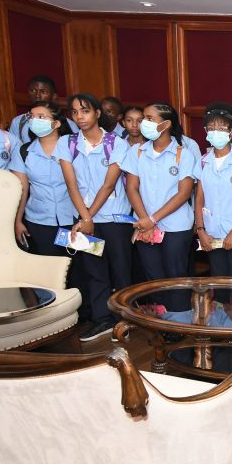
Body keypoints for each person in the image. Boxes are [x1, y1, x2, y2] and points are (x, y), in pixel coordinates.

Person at [57, 93, 134, 342]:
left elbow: (108, 185)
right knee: (94, 271)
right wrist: (85, 218)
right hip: (84, 219)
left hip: (114, 219)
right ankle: (101, 320)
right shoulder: (67, 144)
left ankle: (124, 321)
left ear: (97, 113)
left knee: (121, 270)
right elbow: (71, 185)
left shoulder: (117, 143)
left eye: (85, 111)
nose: (80, 117)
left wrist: (88, 218)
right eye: (75, 112)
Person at [121, 102, 199, 309]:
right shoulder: (137, 152)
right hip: (145, 226)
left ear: (165, 125)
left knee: (176, 279)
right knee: (154, 278)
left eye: (148, 119)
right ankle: (162, 325)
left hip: (176, 227)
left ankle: (180, 325)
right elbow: (131, 188)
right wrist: (145, 220)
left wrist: (152, 219)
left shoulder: (184, 154)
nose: (142, 123)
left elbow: (183, 194)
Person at [9, 100, 76, 256]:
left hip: (72, 219)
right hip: (39, 220)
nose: (34, 120)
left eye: (41, 117)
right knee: (47, 266)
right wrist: (17, 220)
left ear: (56, 124)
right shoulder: (24, 151)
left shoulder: (73, 148)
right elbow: (22, 189)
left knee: (77, 267)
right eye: (31, 117)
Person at [195, 107, 232, 278]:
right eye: (212, 128)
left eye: (222, 129)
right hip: (212, 232)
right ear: (206, 132)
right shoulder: (203, 161)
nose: (216, 132)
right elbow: (199, 198)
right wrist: (201, 230)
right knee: (218, 280)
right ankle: (220, 307)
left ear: (231, 133)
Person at [9, 75, 78, 143]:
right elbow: (14, 149)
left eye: (43, 92)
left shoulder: (69, 124)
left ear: (54, 96)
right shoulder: (19, 122)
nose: (37, 95)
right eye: (33, 90)